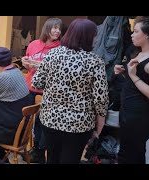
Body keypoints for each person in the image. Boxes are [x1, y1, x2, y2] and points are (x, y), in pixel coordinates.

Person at [32, 19, 109, 164]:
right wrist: (100, 124)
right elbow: (101, 98)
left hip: (50, 119)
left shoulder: (52, 54)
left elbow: (36, 82)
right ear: (89, 37)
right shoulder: (95, 61)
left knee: (52, 158)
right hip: (78, 123)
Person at [114, 17, 149, 164]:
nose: (131, 34)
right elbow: (137, 81)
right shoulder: (138, 53)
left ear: (147, 35)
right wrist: (125, 72)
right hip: (128, 110)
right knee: (133, 154)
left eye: (136, 31)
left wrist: (132, 75)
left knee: (128, 155)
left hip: (141, 115)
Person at [21, 17, 63, 163]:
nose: (57, 31)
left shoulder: (61, 48)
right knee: (25, 118)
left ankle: (39, 151)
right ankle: (23, 147)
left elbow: (61, 72)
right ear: (47, 28)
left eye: (59, 28)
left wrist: (41, 66)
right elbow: (27, 65)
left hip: (47, 90)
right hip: (30, 86)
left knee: (41, 122)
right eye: (54, 27)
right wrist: (25, 62)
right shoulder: (33, 44)